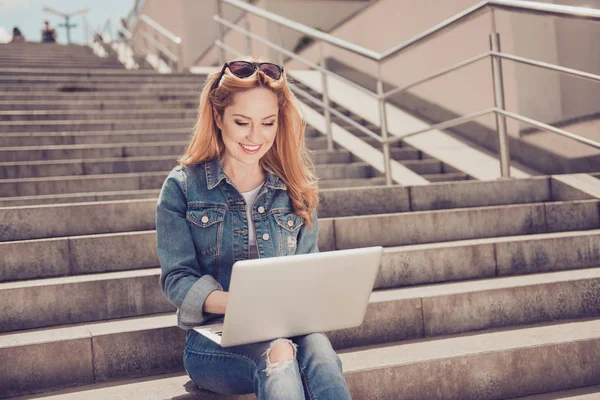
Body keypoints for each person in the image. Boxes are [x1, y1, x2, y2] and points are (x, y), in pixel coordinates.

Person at [155, 57, 352, 399]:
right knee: (276, 351)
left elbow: (309, 271)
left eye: (267, 123)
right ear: (218, 118)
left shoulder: (296, 189)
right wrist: (245, 304)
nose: (255, 136)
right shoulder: (183, 187)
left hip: (291, 330)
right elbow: (178, 279)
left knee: (319, 349)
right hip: (214, 342)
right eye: (242, 122)